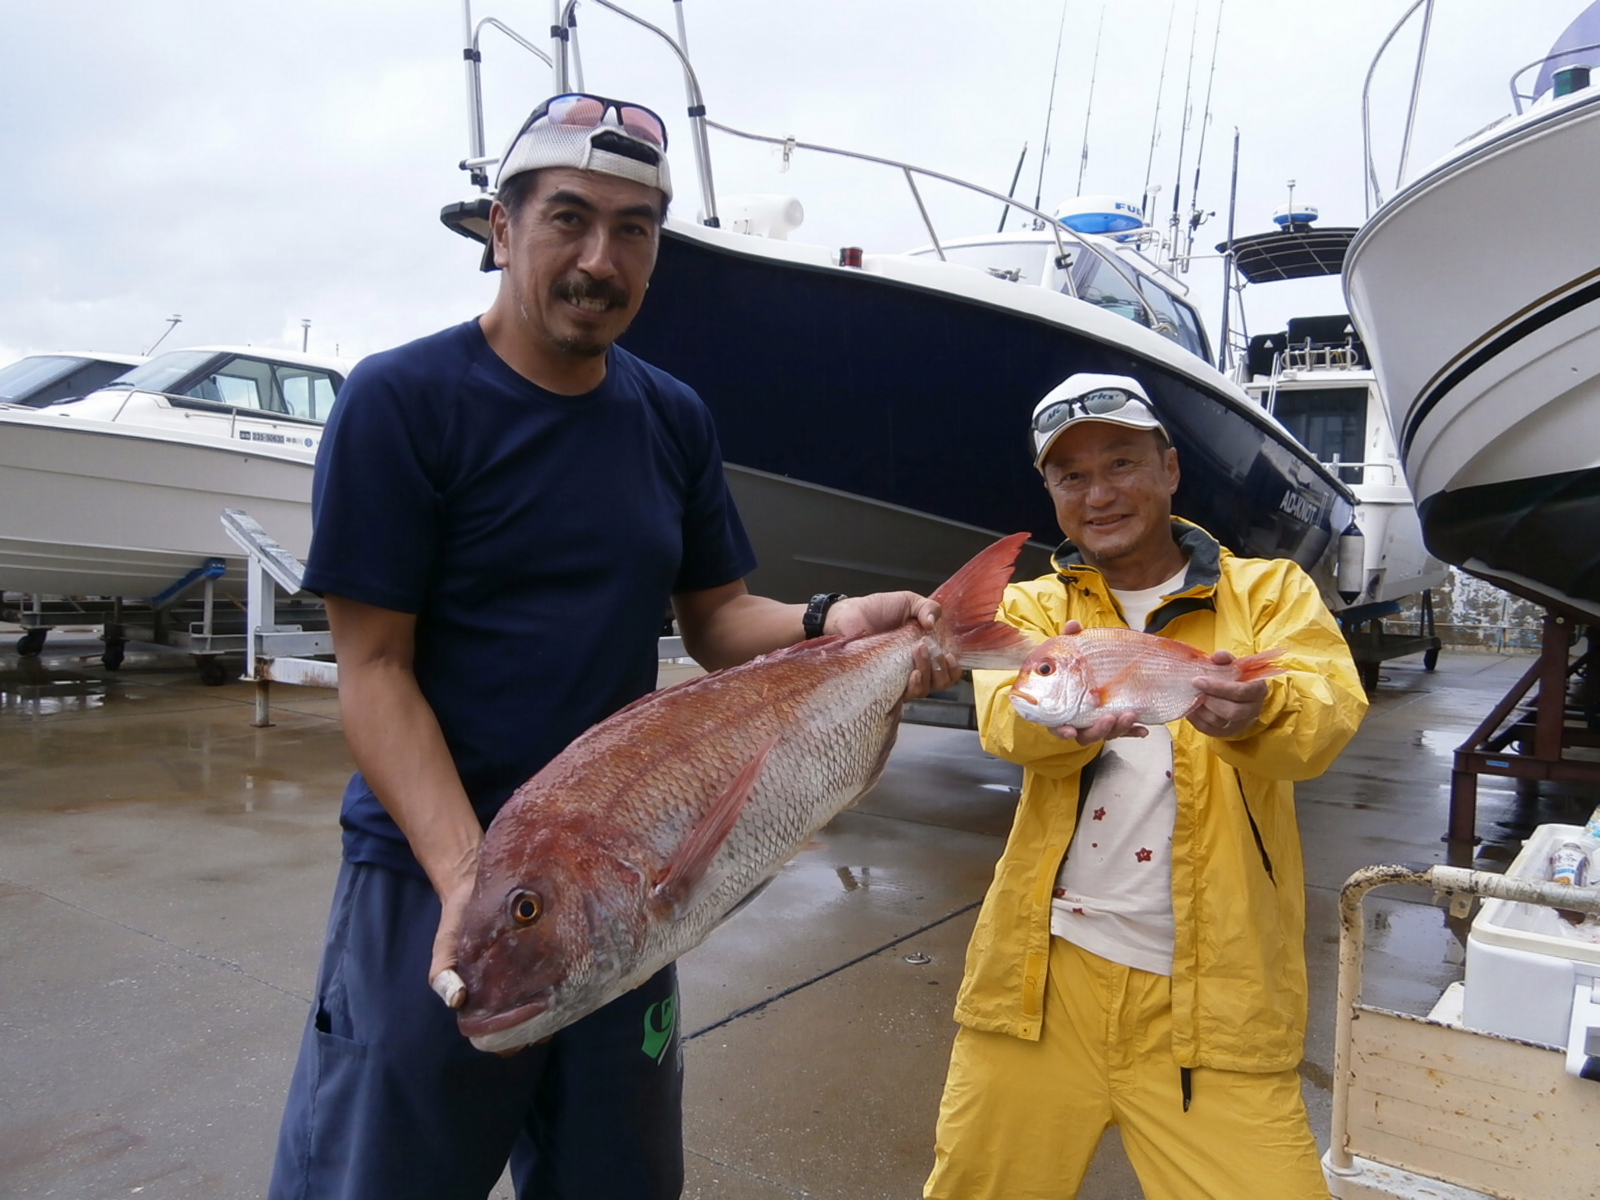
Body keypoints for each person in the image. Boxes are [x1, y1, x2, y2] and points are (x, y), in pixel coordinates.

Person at [267, 93, 958, 1200]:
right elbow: (374, 670)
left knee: (617, 1181)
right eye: (569, 220)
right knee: (384, 1179)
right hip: (439, 876)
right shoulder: (402, 401)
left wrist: (837, 623)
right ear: (501, 227)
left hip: (628, 878)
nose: (601, 258)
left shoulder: (670, 414)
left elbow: (720, 620)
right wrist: (475, 882)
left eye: (633, 231)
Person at [924, 373, 1367, 1200]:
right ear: (1051, 494)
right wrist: (1054, 726)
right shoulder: (1030, 608)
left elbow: (1328, 713)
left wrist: (1257, 712)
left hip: (1217, 1001)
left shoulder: (1269, 594)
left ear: (1170, 469)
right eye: (1072, 476)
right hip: (1040, 985)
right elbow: (1003, 717)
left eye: (1122, 463)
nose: (1100, 494)